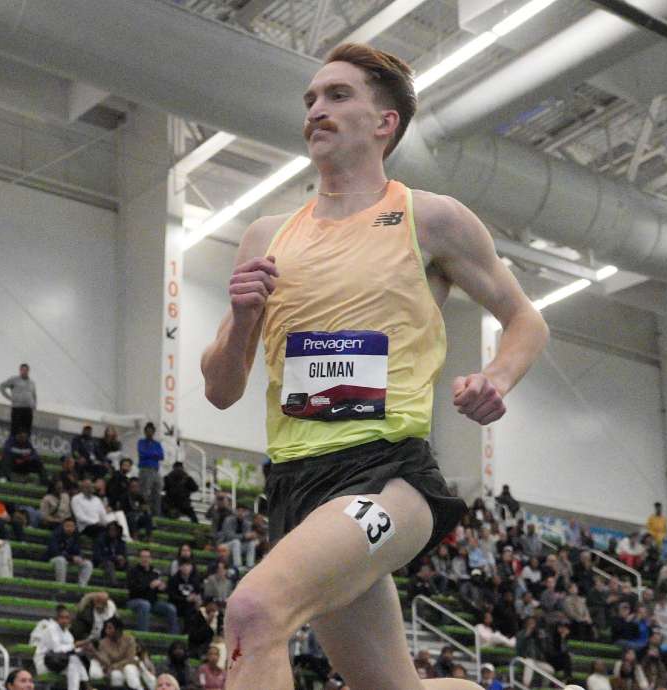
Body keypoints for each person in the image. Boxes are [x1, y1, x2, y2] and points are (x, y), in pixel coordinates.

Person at [201, 42, 548, 690]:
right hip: (297, 492)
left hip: (389, 480)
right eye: (309, 99)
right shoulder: (266, 237)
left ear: (385, 123)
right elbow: (221, 391)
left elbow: (527, 318)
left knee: (254, 609)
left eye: (337, 96)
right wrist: (244, 321)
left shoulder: (430, 219)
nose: (316, 110)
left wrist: (496, 378)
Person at [30, 605, 89, 690]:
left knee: (74, 663)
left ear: (70, 620)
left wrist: (82, 649)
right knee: (74, 662)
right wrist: (75, 645)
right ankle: (87, 685)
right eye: (62, 618)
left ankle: (84, 686)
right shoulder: (51, 629)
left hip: (60, 662)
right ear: (57, 619)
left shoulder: (68, 634)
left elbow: (71, 650)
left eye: (67, 618)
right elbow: (56, 650)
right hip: (45, 662)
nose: (64, 620)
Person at [126, 548, 180, 634]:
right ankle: (143, 636)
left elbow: (160, 590)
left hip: (152, 602)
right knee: (145, 605)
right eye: (143, 557)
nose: (145, 559)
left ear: (151, 559)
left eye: (147, 557)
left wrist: (163, 588)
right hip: (135, 601)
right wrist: (149, 586)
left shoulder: (155, 573)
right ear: (139, 559)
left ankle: (174, 638)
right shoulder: (133, 571)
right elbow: (133, 589)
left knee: (171, 608)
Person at [89, 617, 145, 690]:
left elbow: (130, 659)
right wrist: (94, 653)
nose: (106, 631)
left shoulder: (129, 639)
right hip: (113, 670)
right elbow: (106, 662)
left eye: (110, 628)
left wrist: (116, 665)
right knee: (115, 675)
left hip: (128, 667)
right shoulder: (103, 643)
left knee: (129, 669)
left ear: (118, 630)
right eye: (106, 628)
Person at [45, 518, 93, 586]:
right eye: (67, 526)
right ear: (63, 526)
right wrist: (71, 558)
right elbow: (54, 552)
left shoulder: (76, 536)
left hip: (69, 560)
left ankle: (81, 587)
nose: (69, 528)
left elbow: (78, 551)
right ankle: (61, 587)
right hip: (54, 559)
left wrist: (79, 557)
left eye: (72, 526)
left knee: (88, 564)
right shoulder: (55, 535)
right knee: (60, 560)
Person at [0, 363, 37, 437]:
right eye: (22, 370)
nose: (24, 371)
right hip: (17, 409)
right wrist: (9, 397)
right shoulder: (14, 380)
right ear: (20, 370)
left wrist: (34, 404)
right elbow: (2, 386)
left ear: (28, 371)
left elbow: (34, 394)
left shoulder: (31, 383)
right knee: (15, 430)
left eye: (26, 370)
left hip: (28, 409)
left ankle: (26, 446)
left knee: (27, 430)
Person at [136, 422, 163, 516]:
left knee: (156, 492)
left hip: (155, 470)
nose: (149, 433)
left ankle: (156, 513)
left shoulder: (157, 444)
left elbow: (161, 456)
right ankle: (143, 513)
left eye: (151, 431)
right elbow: (142, 453)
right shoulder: (141, 442)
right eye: (147, 431)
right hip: (145, 469)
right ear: (145, 432)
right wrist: (153, 454)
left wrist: (150, 454)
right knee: (144, 492)